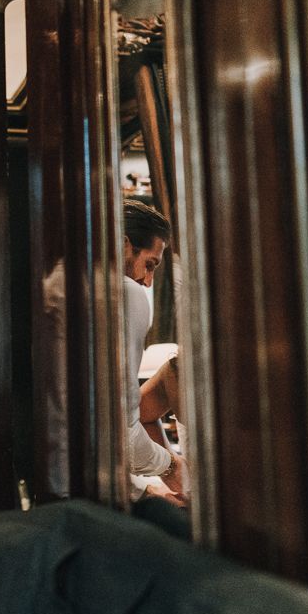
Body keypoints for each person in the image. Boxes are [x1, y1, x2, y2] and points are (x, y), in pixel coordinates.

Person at [123, 200, 188, 500]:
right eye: (149, 264)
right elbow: (126, 424)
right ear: (125, 246)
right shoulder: (177, 372)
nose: (147, 282)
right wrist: (173, 469)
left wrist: (150, 489)